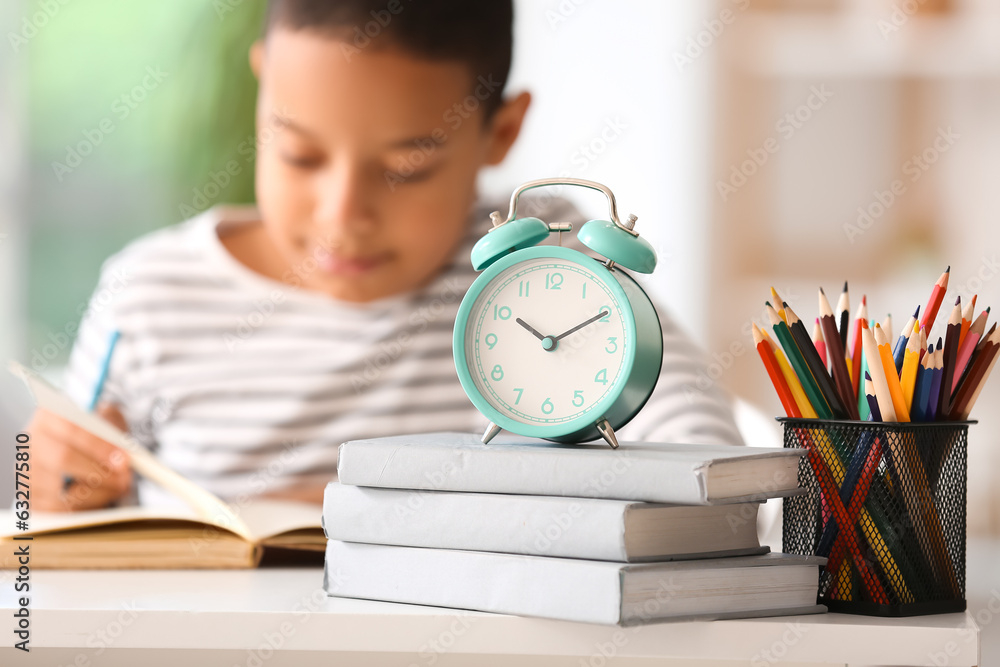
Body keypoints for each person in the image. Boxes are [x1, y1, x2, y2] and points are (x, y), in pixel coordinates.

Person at [24, 0, 743, 512]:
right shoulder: (150, 293)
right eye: (300, 153)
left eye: (405, 168)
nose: (344, 216)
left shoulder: (548, 266)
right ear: (261, 88)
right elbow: (55, 505)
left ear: (500, 132)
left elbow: (708, 466)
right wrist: (57, 479)